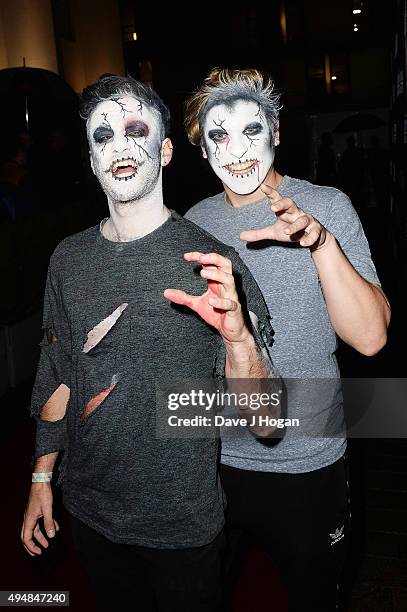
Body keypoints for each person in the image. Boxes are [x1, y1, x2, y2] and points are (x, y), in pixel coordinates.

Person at [20, 74, 280, 612]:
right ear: (91, 161)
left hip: (184, 531)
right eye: (103, 135)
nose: (120, 145)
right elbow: (59, 375)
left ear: (165, 151)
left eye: (136, 129)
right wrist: (41, 478)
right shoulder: (67, 261)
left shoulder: (213, 264)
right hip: (90, 514)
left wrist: (238, 341)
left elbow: (266, 421)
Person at [184, 67, 391, 612]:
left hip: (309, 464)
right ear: (202, 151)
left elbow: (371, 339)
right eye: (218, 136)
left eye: (251, 130)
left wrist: (320, 242)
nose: (237, 150)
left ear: (276, 131)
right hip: (216, 466)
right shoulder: (192, 225)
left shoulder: (329, 206)